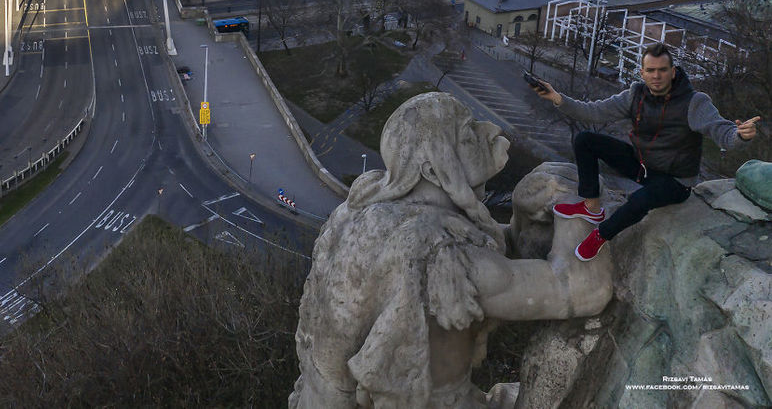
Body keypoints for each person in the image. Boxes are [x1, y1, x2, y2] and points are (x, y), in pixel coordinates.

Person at [289, 92, 613, 409]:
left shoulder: (359, 213)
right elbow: (585, 289)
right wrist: (581, 201)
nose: (490, 130)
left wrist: (522, 215)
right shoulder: (444, 256)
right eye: (469, 133)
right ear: (433, 170)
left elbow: (491, 255)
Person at [530, 43, 761, 261]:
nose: (656, 76)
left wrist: (739, 135)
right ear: (642, 73)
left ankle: (601, 235)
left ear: (673, 72)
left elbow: (720, 130)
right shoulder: (635, 95)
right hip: (642, 166)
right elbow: (594, 112)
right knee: (585, 140)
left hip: (675, 181)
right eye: (651, 70)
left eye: (662, 70)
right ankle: (591, 208)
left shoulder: (694, 102)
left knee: (638, 199)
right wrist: (557, 98)